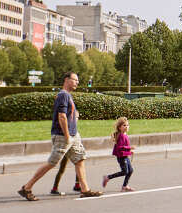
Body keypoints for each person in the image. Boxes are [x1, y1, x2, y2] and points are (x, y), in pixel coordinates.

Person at [18, 72, 101, 201]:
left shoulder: (68, 96)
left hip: (74, 135)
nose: (77, 83)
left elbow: (68, 114)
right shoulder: (63, 95)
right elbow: (61, 116)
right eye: (75, 80)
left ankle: (85, 190)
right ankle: (27, 187)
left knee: (80, 159)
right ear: (67, 80)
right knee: (52, 163)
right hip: (63, 136)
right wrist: (67, 135)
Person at [103, 117, 135, 191]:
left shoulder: (125, 134)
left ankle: (124, 186)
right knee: (125, 172)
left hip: (125, 155)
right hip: (121, 157)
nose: (126, 127)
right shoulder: (121, 136)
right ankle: (108, 177)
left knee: (130, 171)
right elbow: (120, 147)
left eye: (127, 125)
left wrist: (130, 152)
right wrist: (129, 148)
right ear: (119, 127)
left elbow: (124, 148)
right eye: (124, 125)